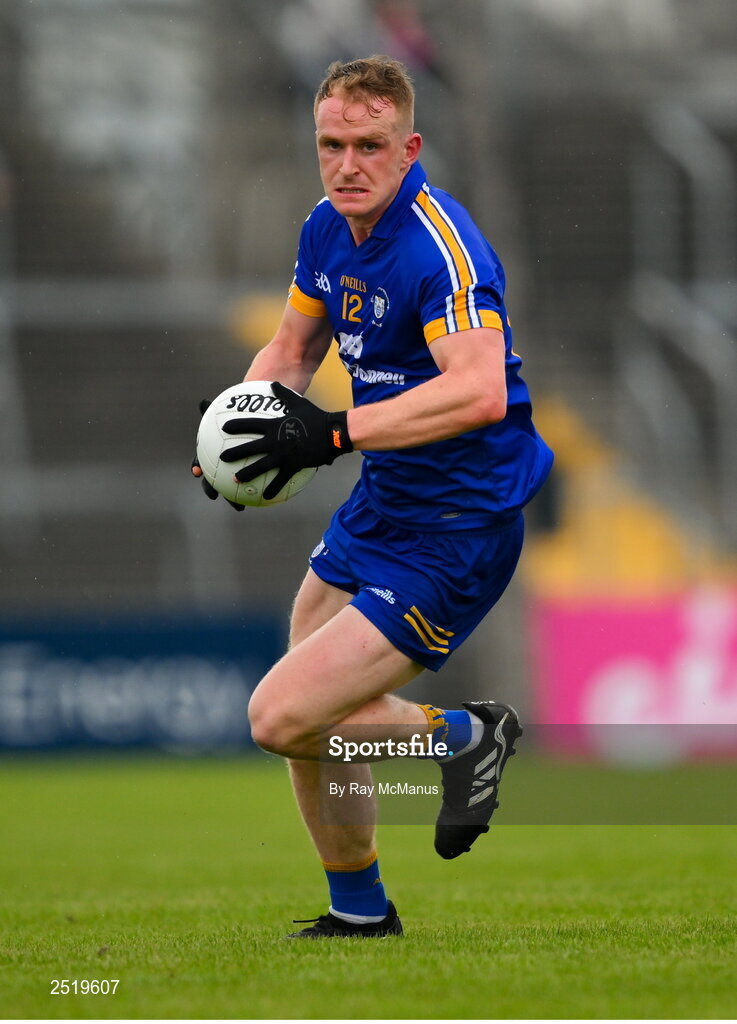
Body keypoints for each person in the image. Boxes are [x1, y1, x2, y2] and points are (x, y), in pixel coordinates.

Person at [192, 55, 553, 938]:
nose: (347, 164)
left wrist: (333, 433)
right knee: (314, 712)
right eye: (330, 144)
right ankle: (358, 912)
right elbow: (287, 354)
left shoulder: (441, 249)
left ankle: (464, 738)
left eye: (369, 145)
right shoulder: (325, 227)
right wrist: (230, 437)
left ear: (408, 148)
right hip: (384, 503)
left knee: (280, 716)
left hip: (459, 525)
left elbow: (478, 392)